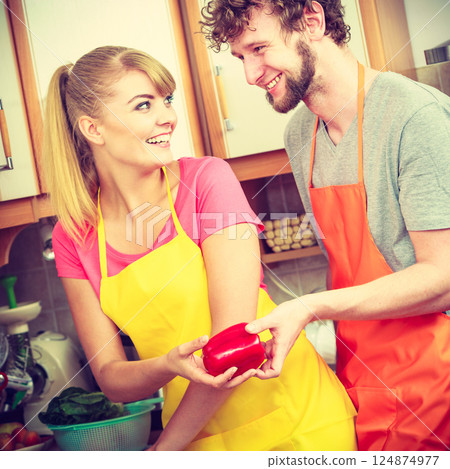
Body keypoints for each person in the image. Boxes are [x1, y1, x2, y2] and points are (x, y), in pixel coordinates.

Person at [44, 45, 357, 451]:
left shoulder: (207, 182)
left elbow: (235, 345)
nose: (167, 117)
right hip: (198, 437)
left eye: (166, 100)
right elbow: (110, 377)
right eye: (144, 105)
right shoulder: (73, 236)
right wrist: (166, 367)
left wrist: (164, 449)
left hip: (296, 425)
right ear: (93, 129)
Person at [200, 0, 450, 451]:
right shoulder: (301, 134)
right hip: (361, 377)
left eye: (259, 48)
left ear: (312, 22)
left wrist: (308, 306)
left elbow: (443, 278)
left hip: (438, 377)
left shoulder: (414, 116)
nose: (251, 74)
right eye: (240, 57)